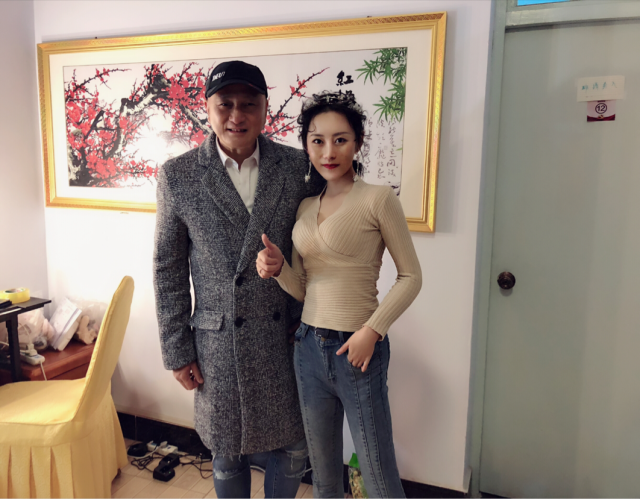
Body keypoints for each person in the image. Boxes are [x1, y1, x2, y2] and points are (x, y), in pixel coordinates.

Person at [153, 60, 323, 499]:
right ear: (207, 108)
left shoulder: (297, 167)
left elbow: (316, 249)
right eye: (225, 103)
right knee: (227, 450)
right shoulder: (179, 175)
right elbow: (168, 269)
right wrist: (177, 350)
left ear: (265, 108)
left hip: (286, 332)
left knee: (293, 444)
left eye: (248, 104)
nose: (236, 115)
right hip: (218, 340)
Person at [256, 91, 422, 499]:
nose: (328, 152)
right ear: (307, 144)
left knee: (378, 476)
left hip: (357, 349)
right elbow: (303, 287)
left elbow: (411, 277)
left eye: (340, 139)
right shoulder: (304, 207)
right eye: (317, 140)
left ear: (357, 142)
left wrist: (372, 330)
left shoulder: (378, 198)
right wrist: (278, 269)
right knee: (324, 477)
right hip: (307, 348)